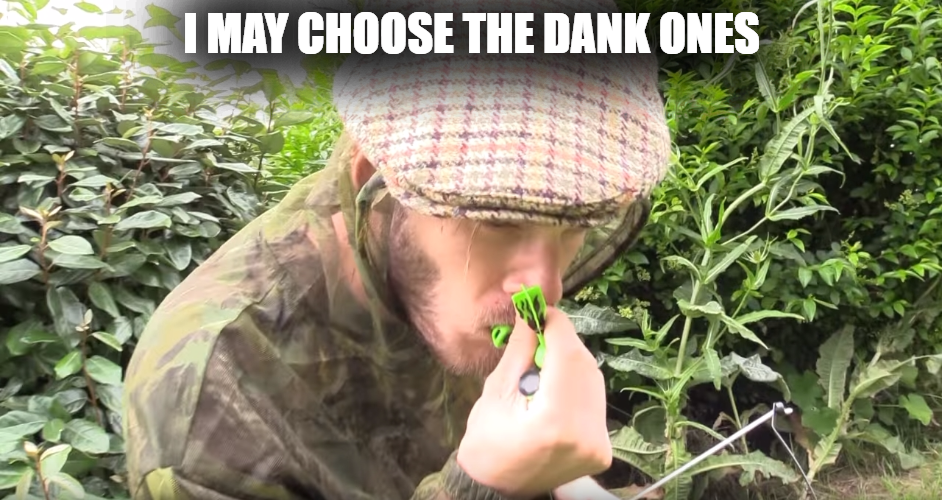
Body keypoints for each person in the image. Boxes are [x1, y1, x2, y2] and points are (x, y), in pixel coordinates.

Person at [121, 1, 672, 498]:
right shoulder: (209, 402)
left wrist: (567, 480)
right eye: (499, 221)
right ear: (377, 185)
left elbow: (505, 419)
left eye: (576, 225)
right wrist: (480, 489)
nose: (544, 285)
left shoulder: (458, 289)